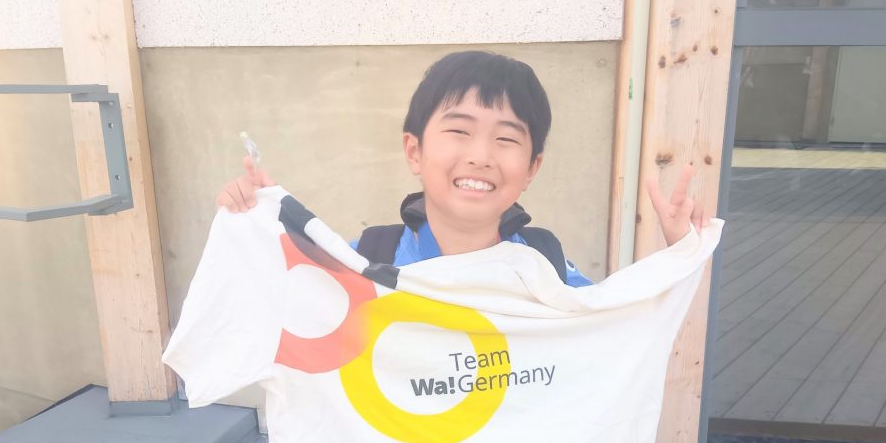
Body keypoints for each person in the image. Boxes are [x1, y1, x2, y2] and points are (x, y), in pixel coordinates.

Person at [215, 50, 706, 283]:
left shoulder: (547, 266)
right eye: (459, 131)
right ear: (414, 151)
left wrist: (680, 253)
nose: (481, 155)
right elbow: (284, 299)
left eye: (506, 138)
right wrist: (255, 224)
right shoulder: (365, 260)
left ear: (532, 167)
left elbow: (613, 333)